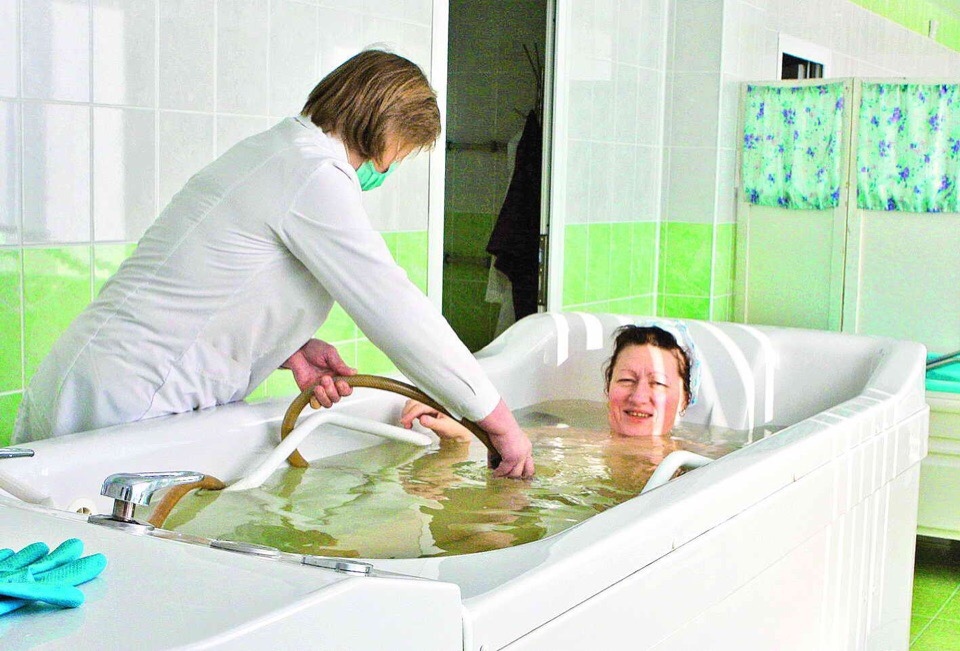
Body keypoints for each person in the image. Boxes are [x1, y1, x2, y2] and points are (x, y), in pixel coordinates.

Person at [12, 49, 533, 478]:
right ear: (387, 130)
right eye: (403, 150)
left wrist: (290, 347)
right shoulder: (314, 175)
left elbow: (220, 276)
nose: (392, 165)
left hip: (99, 379)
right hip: (130, 401)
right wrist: (500, 422)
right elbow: (396, 311)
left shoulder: (274, 152)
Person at [401, 321, 702, 442]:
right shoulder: (574, 443)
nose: (638, 396)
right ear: (607, 388)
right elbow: (508, 445)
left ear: (685, 399)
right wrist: (458, 430)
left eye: (658, 384)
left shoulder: (694, 468)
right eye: (626, 380)